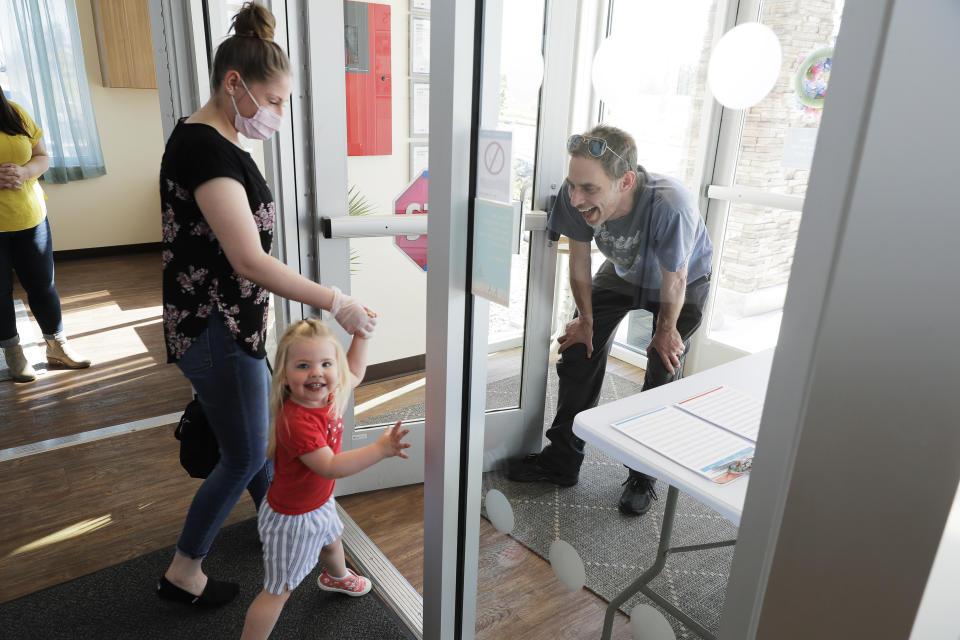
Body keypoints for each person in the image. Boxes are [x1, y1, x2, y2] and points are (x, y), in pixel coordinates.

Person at [156, 2, 377, 607]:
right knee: (246, 451)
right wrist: (337, 302)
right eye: (275, 100)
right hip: (213, 328)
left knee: (252, 439)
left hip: (227, 326)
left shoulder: (218, 141)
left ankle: (281, 517)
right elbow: (249, 260)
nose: (278, 113)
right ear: (235, 84)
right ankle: (184, 571)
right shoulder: (204, 149)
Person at [508, 125, 713, 516]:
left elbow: (677, 278)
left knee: (661, 371)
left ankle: (643, 474)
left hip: (682, 282)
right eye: (573, 185)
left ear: (627, 182)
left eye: (589, 189)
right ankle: (562, 461)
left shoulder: (670, 205)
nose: (576, 197)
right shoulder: (575, 197)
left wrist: (665, 332)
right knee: (577, 351)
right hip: (622, 275)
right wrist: (584, 319)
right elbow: (580, 260)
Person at [240, 319, 410, 639]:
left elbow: (355, 373)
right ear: (285, 376)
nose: (317, 372)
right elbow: (329, 466)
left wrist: (362, 335)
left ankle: (336, 577)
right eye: (304, 365)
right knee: (279, 591)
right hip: (293, 519)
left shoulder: (327, 396)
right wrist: (379, 449)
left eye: (326, 363)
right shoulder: (297, 420)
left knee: (333, 539)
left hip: (317, 503)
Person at [0, 86, 90, 382]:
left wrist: (25, 173)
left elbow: (42, 155)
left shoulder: (13, 111)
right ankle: (14, 354)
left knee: (43, 286)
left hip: (31, 219)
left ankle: (57, 348)